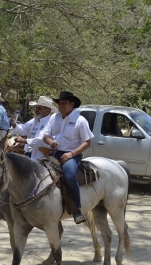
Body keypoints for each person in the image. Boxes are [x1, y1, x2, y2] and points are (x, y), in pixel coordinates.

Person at [42, 91, 94, 225]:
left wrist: (71, 154)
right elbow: (45, 136)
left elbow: (87, 142)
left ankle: (77, 209)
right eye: (59, 103)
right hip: (55, 152)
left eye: (65, 103)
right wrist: (51, 143)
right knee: (38, 169)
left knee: (70, 175)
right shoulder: (54, 117)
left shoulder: (80, 120)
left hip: (72, 154)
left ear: (72, 104)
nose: (61, 105)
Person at [11, 96, 57, 160]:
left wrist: (25, 140)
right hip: (28, 153)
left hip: (41, 156)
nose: (36, 110)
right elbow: (23, 128)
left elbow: (41, 140)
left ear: (48, 111)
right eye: (36, 108)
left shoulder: (50, 122)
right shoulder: (34, 120)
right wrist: (14, 125)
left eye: (39, 108)